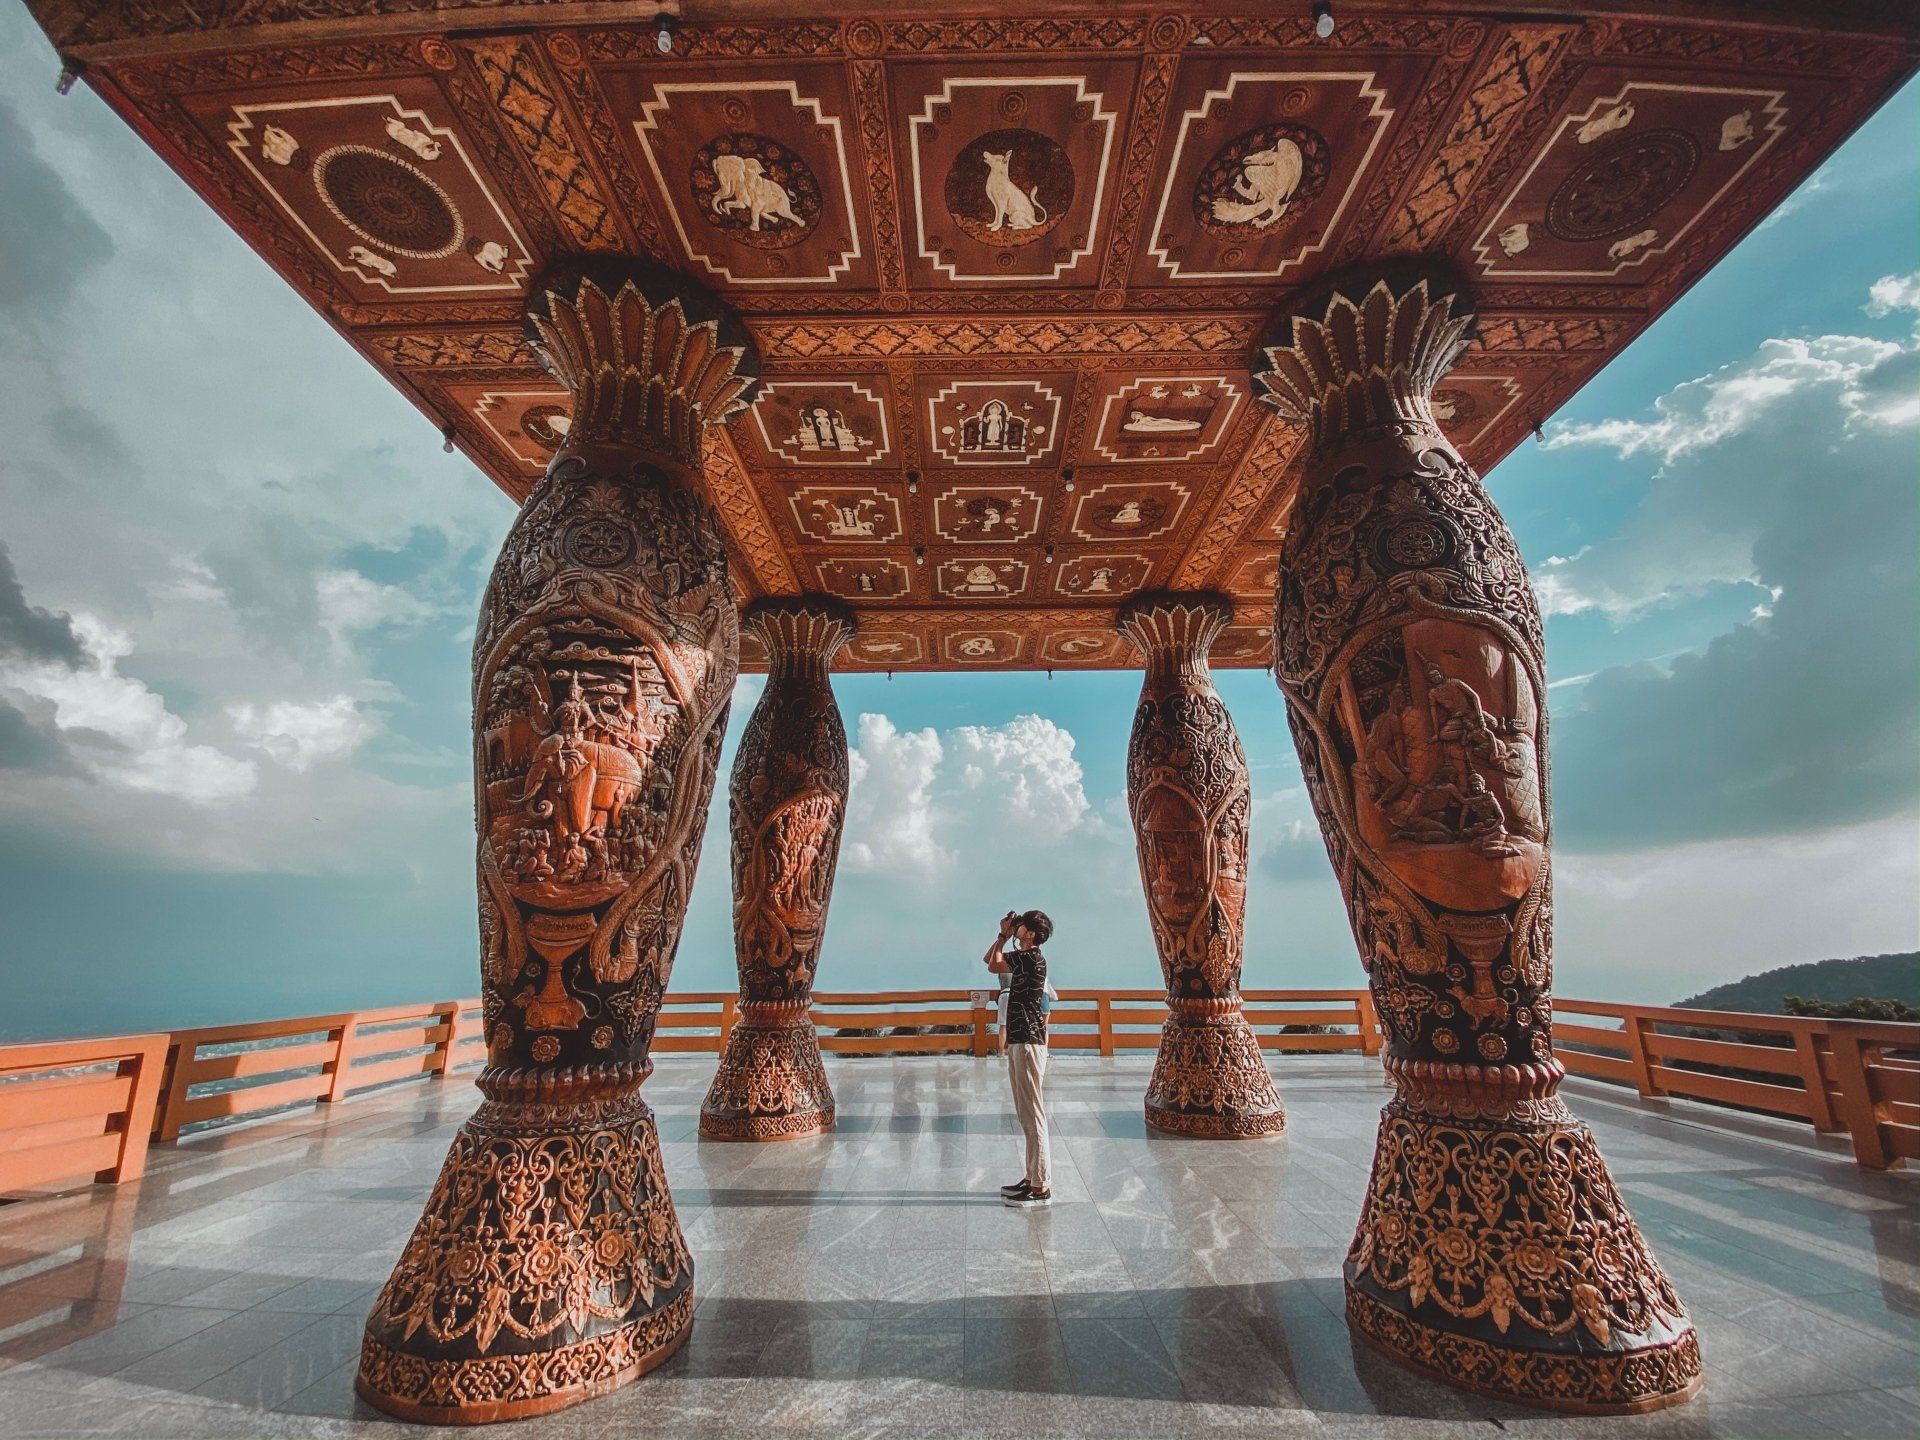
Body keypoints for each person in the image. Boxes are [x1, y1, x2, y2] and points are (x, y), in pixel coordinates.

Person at [983, 908, 1053, 1208]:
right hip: (1020, 1040)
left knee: (1033, 1113)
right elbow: (990, 961)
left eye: (1022, 924)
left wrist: (1002, 935)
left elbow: (993, 964)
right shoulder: (1025, 957)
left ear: (1032, 933)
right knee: (1026, 1113)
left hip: (1027, 1041)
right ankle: (1032, 1177)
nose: (1018, 926)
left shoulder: (1032, 956)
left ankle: (1040, 1187)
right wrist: (1003, 936)